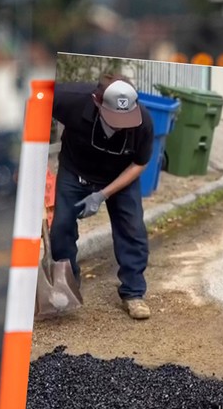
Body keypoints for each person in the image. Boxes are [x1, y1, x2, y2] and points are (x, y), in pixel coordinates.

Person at [50, 74, 154, 320]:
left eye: (125, 118)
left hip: (120, 175)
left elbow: (140, 163)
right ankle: (67, 286)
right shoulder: (68, 100)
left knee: (133, 230)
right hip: (75, 170)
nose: (120, 125)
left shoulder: (143, 121)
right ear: (97, 102)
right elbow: (34, 104)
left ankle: (133, 293)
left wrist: (102, 195)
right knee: (61, 227)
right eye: (114, 118)